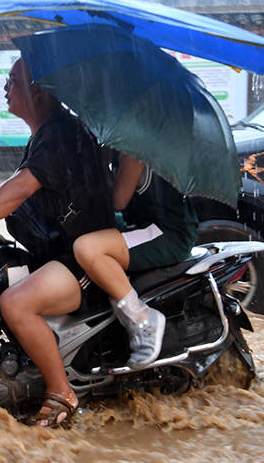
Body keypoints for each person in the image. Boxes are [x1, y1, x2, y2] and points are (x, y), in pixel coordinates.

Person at [0, 58, 114, 428]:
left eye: (12, 82)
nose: (5, 90)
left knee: (15, 302)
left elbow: (19, 189)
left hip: (81, 259)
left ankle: (61, 392)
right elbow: (11, 190)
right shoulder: (46, 133)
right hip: (56, 252)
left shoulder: (59, 133)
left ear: (38, 91)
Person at [72, 153, 199, 369]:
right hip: (143, 225)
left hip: (167, 232)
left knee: (86, 248)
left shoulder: (133, 151)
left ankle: (142, 319)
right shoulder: (120, 148)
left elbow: (118, 200)